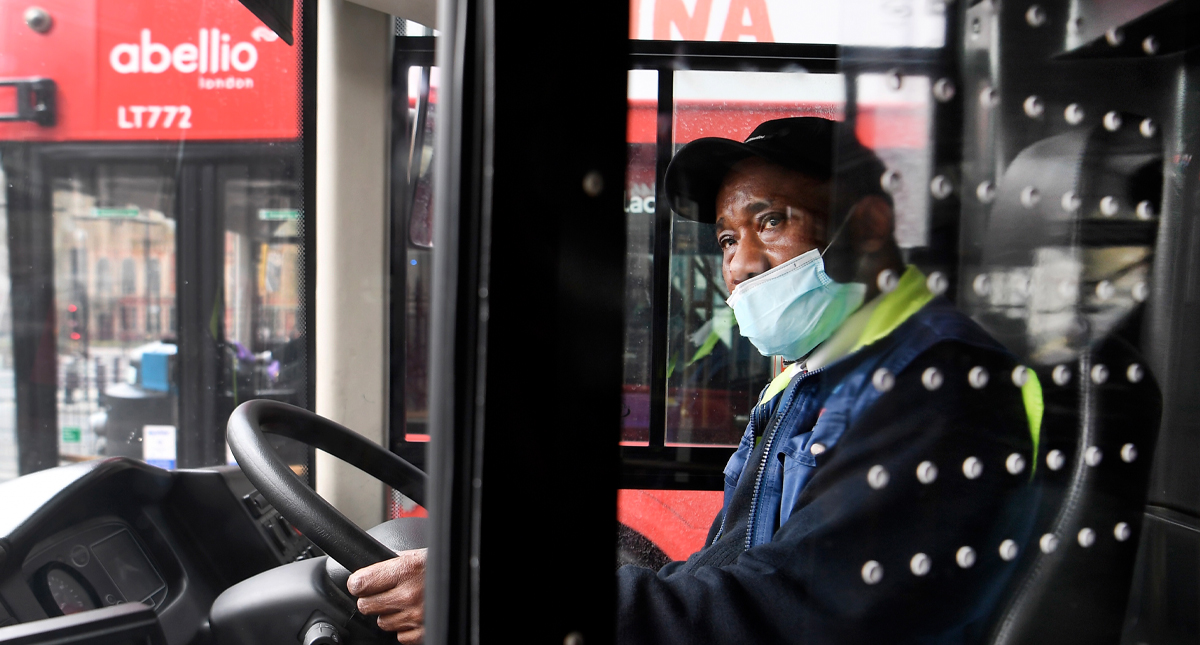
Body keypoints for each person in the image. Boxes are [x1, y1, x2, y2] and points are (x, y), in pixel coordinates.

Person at [348, 117, 1041, 643]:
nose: (739, 265)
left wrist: (514, 601)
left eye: (771, 220)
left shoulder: (937, 381)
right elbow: (734, 567)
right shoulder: (805, 380)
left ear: (867, 227)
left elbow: (794, 605)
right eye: (727, 239)